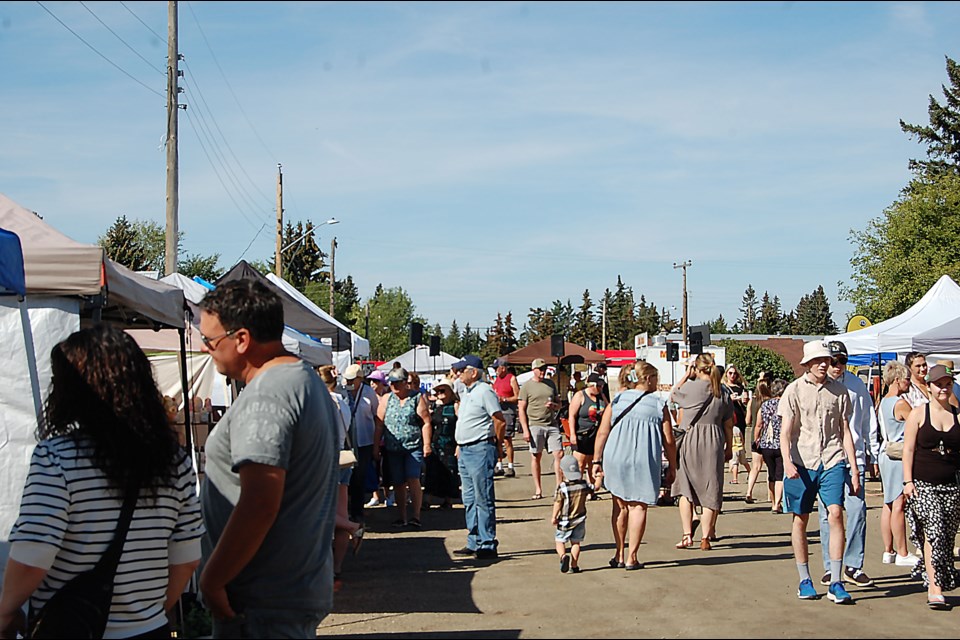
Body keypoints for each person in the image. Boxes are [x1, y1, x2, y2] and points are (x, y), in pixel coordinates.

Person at [0, 325, 203, 639]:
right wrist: (151, 611)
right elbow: (188, 557)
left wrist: (6, 611)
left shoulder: (58, 457)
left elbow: (34, 554)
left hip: (73, 628)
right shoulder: (174, 462)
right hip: (150, 629)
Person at [197, 279, 340, 637]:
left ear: (241, 339)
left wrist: (213, 580)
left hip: (261, 604)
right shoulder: (302, 379)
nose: (206, 350)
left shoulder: (269, 394)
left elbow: (261, 501)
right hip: (281, 597)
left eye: (210, 342)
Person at [779, 340, 859, 605]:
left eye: (828, 360)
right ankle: (804, 579)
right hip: (802, 461)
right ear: (808, 364)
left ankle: (836, 581)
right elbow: (786, 431)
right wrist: (787, 462)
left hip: (832, 459)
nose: (825, 364)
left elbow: (845, 430)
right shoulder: (793, 391)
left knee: (836, 513)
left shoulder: (840, 392)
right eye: (819, 360)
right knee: (800, 519)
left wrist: (854, 467)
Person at [592, 360, 677, 570]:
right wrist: (673, 465)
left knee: (619, 505)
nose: (658, 382)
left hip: (615, 456)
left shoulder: (618, 399)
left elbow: (603, 432)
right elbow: (669, 439)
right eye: (656, 378)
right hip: (643, 458)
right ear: (647, 379)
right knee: (638, 506)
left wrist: (596, 460)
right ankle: (632, 556)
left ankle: (619, 553)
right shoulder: (658, 404)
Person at [817, 341, 880, 589]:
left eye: (841, 361)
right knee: (827, 514)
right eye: (833, 361)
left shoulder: (856, 386)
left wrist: (872, 454)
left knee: (857, 510)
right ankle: (830, 567)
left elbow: (867, 422)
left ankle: (854, 565)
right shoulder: (816, 387)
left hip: (856, 458)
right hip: (826, 459)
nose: (836, 366)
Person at [902, 363, 960, 610]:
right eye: (939, 385)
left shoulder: (958, 414)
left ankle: (943, 575)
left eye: (947, 384)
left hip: (952, 485)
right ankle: (934, 586)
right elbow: (908, 449)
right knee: (934, 530)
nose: (943, 389)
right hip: (923, 483)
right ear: (929, 387)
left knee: (947, 537)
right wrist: (907, 481)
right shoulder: (918, 413)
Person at [670, 353, 733, 551]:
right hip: (714, 439)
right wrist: (729, 446)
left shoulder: (690, 387)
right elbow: (728, 423)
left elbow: (673, 394)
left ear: (696, 368)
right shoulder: (723, 391)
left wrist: (686, 375)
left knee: (685, 490)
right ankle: (706, 536)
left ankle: (687, 535)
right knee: (711, 487)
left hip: (690, 439)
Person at [451, 355, 505, 560]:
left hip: (480, 448)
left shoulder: (484, 391)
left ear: (473, 372)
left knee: (483, 498)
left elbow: (499, 420)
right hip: (465, 449)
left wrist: (497, 445)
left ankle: (488, 543)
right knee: (470, 498)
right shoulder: (468, 392)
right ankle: (474, 540)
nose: (458, 373)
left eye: (462, 370)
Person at [317, 365, 364, 588]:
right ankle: (337, 567)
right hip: (343, 459)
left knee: (321, 513)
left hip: (325, 460)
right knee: (340, 512)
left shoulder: (322, 403)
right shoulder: (343, 402)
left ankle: (352, 529)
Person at [375, 366, 433, 528]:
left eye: (397, 383)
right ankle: (402, 516)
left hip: (413, 447)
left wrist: (427, 444)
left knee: (413, 478)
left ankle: (416, 516)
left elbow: (426, 422)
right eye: (391, 383)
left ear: (404, 382)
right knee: (398, 482)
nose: (394, 386)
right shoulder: (387, 399)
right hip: (393, 448)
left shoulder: (416, 398)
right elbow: (379, 424)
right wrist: (375, 447)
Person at [876, 361, 921, 567]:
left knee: (888, 502)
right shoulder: (900, 403)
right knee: (898, 503)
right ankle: (902, 552)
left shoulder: (883, 402)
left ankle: (889, 550)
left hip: (886, 453)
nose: (909, 383)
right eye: (906, 379)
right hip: (898, 455)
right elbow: (918, 423)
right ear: (897, 380)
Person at [343, 364, 383, 525]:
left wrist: (376, 444)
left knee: (359, 477)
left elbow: (376, 416)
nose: (349, 382)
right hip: (346, 441)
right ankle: (344, 510)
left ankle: (357, 511)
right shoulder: (342, 391)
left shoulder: (368, 393)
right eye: (348, 379)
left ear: (360, 379)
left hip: (364, 441)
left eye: (352, 379)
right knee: (346, 477)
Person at [518, 358, 563, 500]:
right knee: (536, 456)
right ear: (534, 370)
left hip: (552, 424)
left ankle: (559, 487)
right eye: (540, 369)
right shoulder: (526, 386)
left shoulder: (550, 384)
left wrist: (554, 406)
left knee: (559, 454)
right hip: (535, 425)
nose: (543, 371)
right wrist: (525, 429)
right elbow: (521, 409)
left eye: (544, 368)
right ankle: (538, 489)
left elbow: (559, 404)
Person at [552, 455, 592, 574]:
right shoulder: (583, 484)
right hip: (580, 519)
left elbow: (558, 503)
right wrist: (599, 478)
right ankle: (574, 565)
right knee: (576, 543)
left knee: (560, 541)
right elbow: (596, 487)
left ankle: (563, 556)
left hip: (565, 520)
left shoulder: (563, 487)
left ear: (562, 471)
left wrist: (554, 516)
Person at [424, 377, 460, 510]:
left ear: (450, 391)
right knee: (431, 472)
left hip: (450, 442)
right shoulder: (434, 407)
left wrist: (459, 445)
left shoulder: (456, 406)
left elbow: (460, 425)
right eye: (438, 391)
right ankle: (426, 500)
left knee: (450, 472)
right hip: (436, 443)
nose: (440, 393)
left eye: (442, 390)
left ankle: (448, 500)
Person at [568, 372, 608, 489]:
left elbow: (608, 409)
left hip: (596, 435)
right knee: (580, 463)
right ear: (591, 385)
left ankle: (591, 489)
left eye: (601, 386)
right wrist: (572, 434)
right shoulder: (580, 396)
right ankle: (578, 487)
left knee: (593, 462)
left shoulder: (601, 396)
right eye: (598, 386)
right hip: (583, 434)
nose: (600, 389)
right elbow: (572, 416)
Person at [755, 379, 789, 513]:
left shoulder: (764, 405)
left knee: (771, 474)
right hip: (782, 443)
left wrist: (756, 439)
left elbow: (758, 425)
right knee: (780, 474)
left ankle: (774, 501)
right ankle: (777, 504)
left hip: (766, 444)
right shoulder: (786, 405)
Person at [744, 378, 774, 503]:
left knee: (755, 467)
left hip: (755, 436)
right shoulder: (772, 403)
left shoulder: (753, 401)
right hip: (769, 438)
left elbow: (747, 421)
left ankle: (749, 492)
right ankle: (770, 495)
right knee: (770, 468)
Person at [492, 358, 520, 478]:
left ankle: (510, 466)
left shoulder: (511, 378)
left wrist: (505, 399)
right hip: (498, 412)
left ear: (503, 368)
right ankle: (499, 465)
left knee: (507, 439)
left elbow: (518, 396)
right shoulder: (496, 380)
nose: (495, 371)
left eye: (496, 368)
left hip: (508, 411)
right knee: (497, 439)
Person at [722, 365, 749, 485]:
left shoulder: (740, 387)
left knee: (739, 442)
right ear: (726, 374)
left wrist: (744, 400)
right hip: (727, 417)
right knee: (728, 440)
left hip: (739, 417)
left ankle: (736, 464)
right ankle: (731, 464)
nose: (732, 376)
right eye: (730, 373)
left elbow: (745, 404)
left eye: (735, 374)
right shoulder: (723, 387)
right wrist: (729, 399)